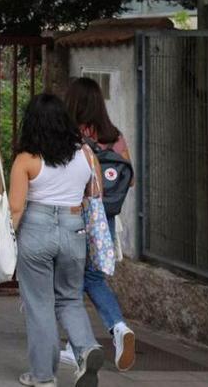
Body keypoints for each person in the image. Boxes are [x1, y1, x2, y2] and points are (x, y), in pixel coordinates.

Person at [9, 94, 105, 387]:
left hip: (36, 229)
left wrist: (6, 244)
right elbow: (96, 195)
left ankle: (43, 376)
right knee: (71, 299)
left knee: (40, 304)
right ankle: (86, 348)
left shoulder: (26, 159)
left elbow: (16, 207)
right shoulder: (86, 155)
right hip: (74, 228)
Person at [65, 77, 138, 372]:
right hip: (103, 219)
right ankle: (118, 327)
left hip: (74, 215)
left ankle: (77, 347)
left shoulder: (69, 135)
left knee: (70, 283)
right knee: (93, 279)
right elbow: (129, 178)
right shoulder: (114, 135)